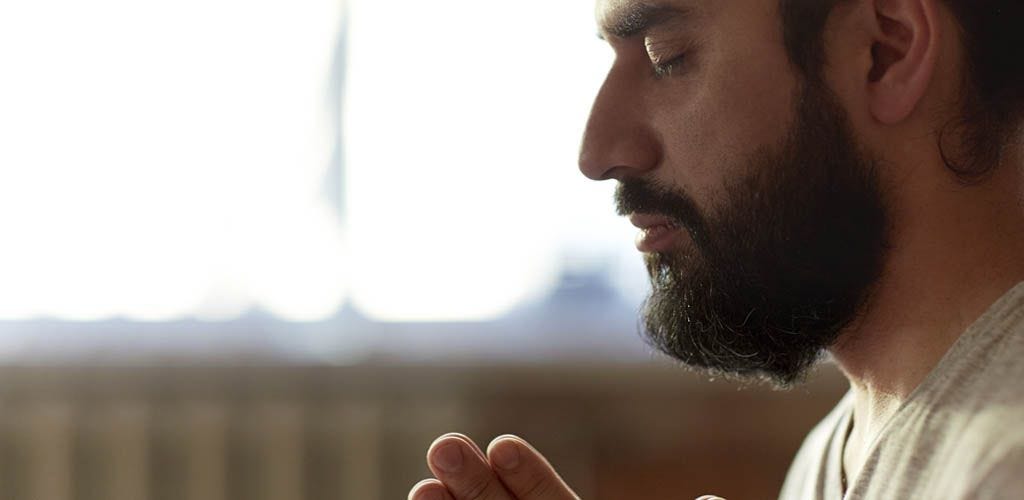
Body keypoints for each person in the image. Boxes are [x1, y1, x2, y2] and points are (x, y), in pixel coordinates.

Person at [408, 0, 1024, 498]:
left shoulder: (1003, 466)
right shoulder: (835, 453)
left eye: (665, 57)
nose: (598, 153)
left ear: (883, 52)